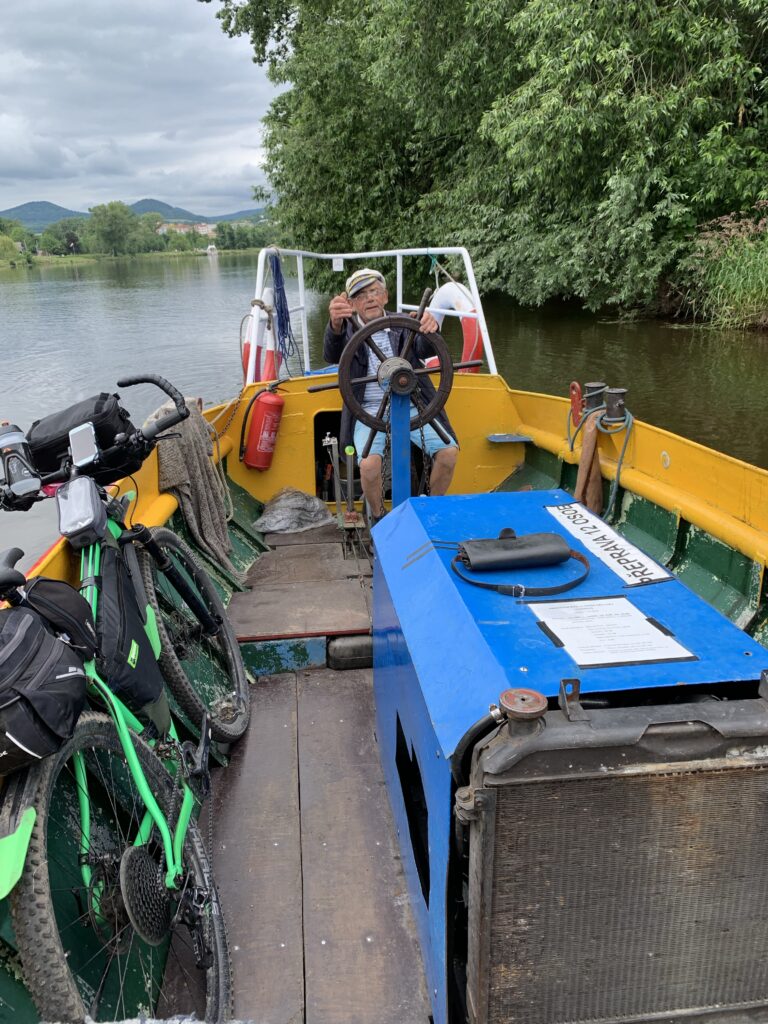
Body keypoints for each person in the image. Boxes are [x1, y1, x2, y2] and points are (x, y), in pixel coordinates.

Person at [323, 268, 458, 524]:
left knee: (449, 453)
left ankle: (430, 509)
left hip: (411, 403)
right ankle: (378, 517)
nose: (370, 298)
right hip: (368, 411)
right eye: (361, 295)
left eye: (374, 291)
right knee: (369, 466)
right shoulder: (347, 331)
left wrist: (430, 328)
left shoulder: (405, 324)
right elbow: (331, 354)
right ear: (351, 304)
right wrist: (335, 324)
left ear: (385, 296)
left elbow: (424, 347)